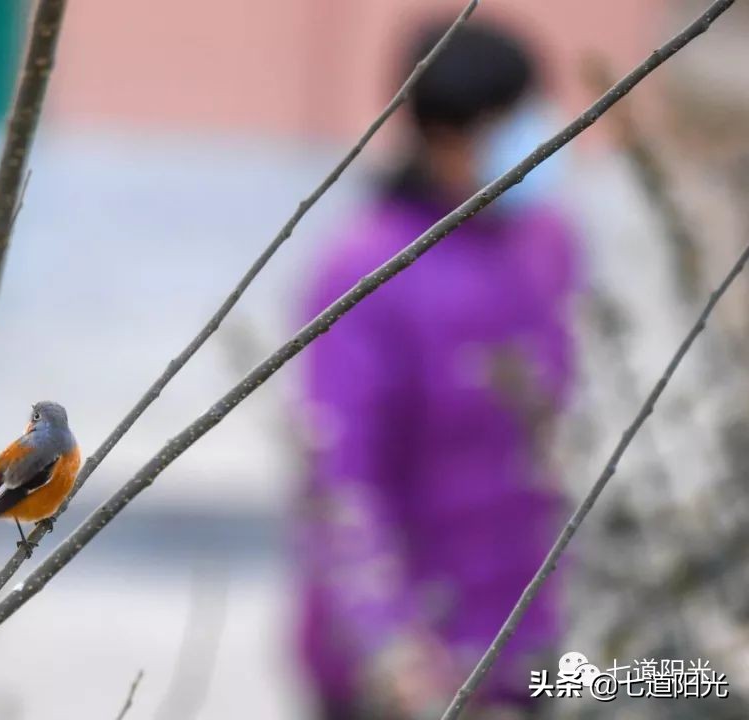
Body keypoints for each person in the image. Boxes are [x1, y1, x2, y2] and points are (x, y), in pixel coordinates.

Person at [295, 19, 579, 720]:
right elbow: (341, 474)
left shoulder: (547, 244)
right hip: (407, 667)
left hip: (526, 643)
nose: (541, 141)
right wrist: (392, 650)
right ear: (449, 136)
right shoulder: (367, 270)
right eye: (516, 123)